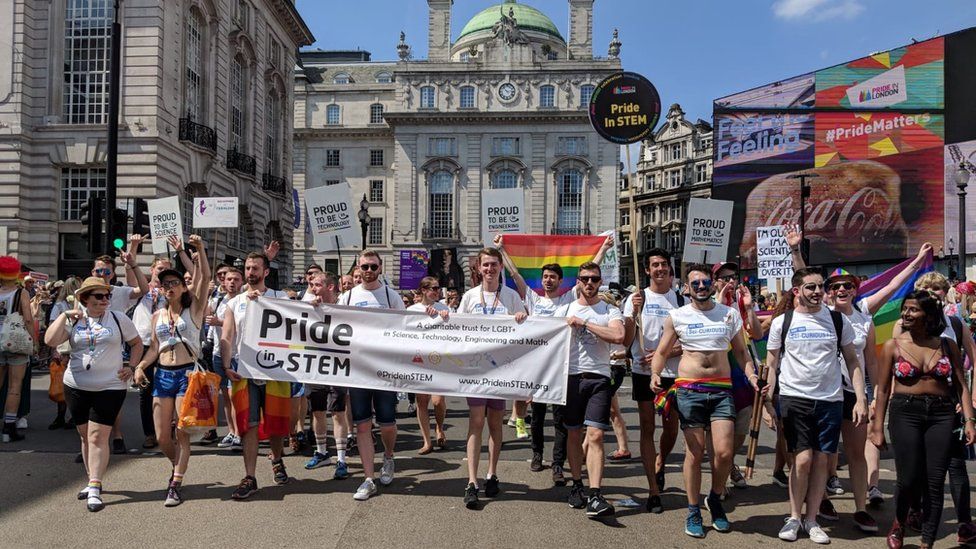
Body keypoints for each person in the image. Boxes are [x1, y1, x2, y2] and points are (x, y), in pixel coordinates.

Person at [651, 263, 761, 537]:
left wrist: (752, 376)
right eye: (695, 283)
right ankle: (693, 509)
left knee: (723, 453)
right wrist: (654, 373)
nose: (701, 287)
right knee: (695, 452)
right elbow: (662, 351)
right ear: (687, 288)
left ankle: (714, 497)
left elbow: (741, 353)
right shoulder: (677, 316)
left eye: (705, 282)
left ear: (713, 285)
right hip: (689, 389)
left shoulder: (729, 314)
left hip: (722, 389)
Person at [767, 267, 867, 545]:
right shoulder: (782, 322)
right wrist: (767, 403)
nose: (817, 292)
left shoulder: (837, 321)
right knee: (802, 459)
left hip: (830, 400)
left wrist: (860, 398)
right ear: (797, 291)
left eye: (820, 287)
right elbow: (772, 364)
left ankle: (812, 519)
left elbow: (853, 361)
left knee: (823, 459)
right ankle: (794, 517)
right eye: (810, 287)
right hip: (794, 397)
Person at [872, 291, 976, 549]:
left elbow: (962, 386)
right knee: (908, 477)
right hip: (905, 412)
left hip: (942, 414)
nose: (906, 314)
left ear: (928, 316)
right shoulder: (892, 346)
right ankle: (899, 523)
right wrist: (877, 427)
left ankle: (927, 541)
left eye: (913, 310)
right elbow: (883, 389)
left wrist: (970, 420)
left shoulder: (946, 346)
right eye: (905, 309)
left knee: (935, 479)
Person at [44, 276, 144, 512]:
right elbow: (50, 340)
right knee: (85, 435)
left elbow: (137, 343)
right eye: (98, 296)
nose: (105, 300)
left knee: (98, 436)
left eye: (107, 296)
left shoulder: (119, 318)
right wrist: (64, 316)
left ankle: (95, 486)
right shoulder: (73, 321)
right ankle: (92, 481)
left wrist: (131, 366)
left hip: (110, 386)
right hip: (76, 385)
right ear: (85, 299)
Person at [131, 235, 210, 507]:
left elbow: (205, 278)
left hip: (187, 375)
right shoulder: (157, 316)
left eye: (175, 283)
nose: (170, 288)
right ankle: (178, 464)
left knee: (181, 433)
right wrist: (141, 366)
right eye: (165, 285)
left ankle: (175, 483)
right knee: (162, 435)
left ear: (182, 287)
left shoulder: (195, 309)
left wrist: (197, 249)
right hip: (162, 374)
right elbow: (154, 348)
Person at [457, 247, 528, 509]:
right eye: (485, 265)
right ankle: (472, 481)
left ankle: (492, 473)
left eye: (494, 265)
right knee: (476, 422)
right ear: (478, 268)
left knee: (496, 424)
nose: (489, 269)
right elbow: (457, 327)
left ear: (500, 267)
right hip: (477, 370)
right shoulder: (469, 297)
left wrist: (521, 318)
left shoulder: (510, 296)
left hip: (502, 372)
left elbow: (526, 328)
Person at [220, 252, 291, 500]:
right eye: (248, 268)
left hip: (275, 372)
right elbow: (227, 335)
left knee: (275, 423)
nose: (250, 272)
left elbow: (298, 325)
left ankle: (277, 458)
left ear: (266, 272)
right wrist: (226, 364)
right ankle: (250, 476)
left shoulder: (279, 298)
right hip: (245, 372)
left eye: (255, 268)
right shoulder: (234, 302)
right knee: (248, 425)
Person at [337, 250, 405, 501]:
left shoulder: (391, 296)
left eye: (373, 267)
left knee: (387, 423)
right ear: (358, 267)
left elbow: (406, 328)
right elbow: (331, 325)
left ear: (380, 268)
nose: (368, 271)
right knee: (362, 424)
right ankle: (368, 478)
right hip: (357, 370)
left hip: (384, 370)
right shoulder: (347, 297)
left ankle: (388, 456)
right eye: (364, 266)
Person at [561, 262, 625, 518]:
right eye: (585, 278)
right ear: (578, 281)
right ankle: (577, 484)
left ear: (600, 282)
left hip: (599, 376)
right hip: (571, 377)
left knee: (596, 435)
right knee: (573, 434)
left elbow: (618, 336)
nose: (589, 283)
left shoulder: (609, 310)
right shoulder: (566, 309)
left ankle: (596, 493)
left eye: (594, 279)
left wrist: (585, 324)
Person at [622, 248, 681, 513]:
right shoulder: (637, 298)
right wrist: (634, 314)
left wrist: (663, 353)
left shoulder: (680, 299)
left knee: (671, 429)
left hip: (673, 373)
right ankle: (653, 490)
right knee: (647, 428)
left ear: (669, 268)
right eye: (655, 265)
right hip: (643, 374)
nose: (660, 269)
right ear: (646, 270)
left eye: (664, 264)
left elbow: (688, 340)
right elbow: (626, 340)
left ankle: (661, 462)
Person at [304, 271, 351, 479]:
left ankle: (341, 458)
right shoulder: (309, 305)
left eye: (316, 285)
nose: (312, 288)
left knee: (338, 413)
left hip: (338, 368)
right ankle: (322, 452)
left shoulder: (344, 307)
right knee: (317, 411)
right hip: (315, 368)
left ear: (329, 287)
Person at [406, 276, 449, 454]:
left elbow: (452, 333)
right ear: (423, 290)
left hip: (439, 360)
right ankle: (427, 441)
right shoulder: (412, 310)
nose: (437, 291)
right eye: (433, 288)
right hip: (419, 360)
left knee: (438, 401)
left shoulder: (444, 308)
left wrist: (445, 318)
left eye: (438, 288)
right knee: (421, 402)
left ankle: (439, 427)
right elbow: (408, 332)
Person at [208, 266, 243, 450]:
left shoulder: (244, 300)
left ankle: (239, 433)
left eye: (236, 279)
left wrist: (219, 322)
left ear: (242, 282)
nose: (231, 282)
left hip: (237, 354)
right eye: (228, 279)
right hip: (217, 352)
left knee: (234, 395)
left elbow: (241, 325)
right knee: (225, 397)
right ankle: (231, 431)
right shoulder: (218, 299)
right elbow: (203, 313)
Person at [0, 256, 35, 441]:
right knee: (15, 387)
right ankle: (8, 428)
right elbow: (28, 319)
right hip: (15, 342)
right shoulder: (21, 292)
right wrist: (34, 341)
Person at [47, 277, 82, 429]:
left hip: (63, 346)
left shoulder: (60, 305)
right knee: (69, 384)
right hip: (70, 346)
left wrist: (54, 349)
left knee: (65, 384)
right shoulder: (68, 305)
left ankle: (63, 416)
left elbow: (51, 326)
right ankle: (68, 417)